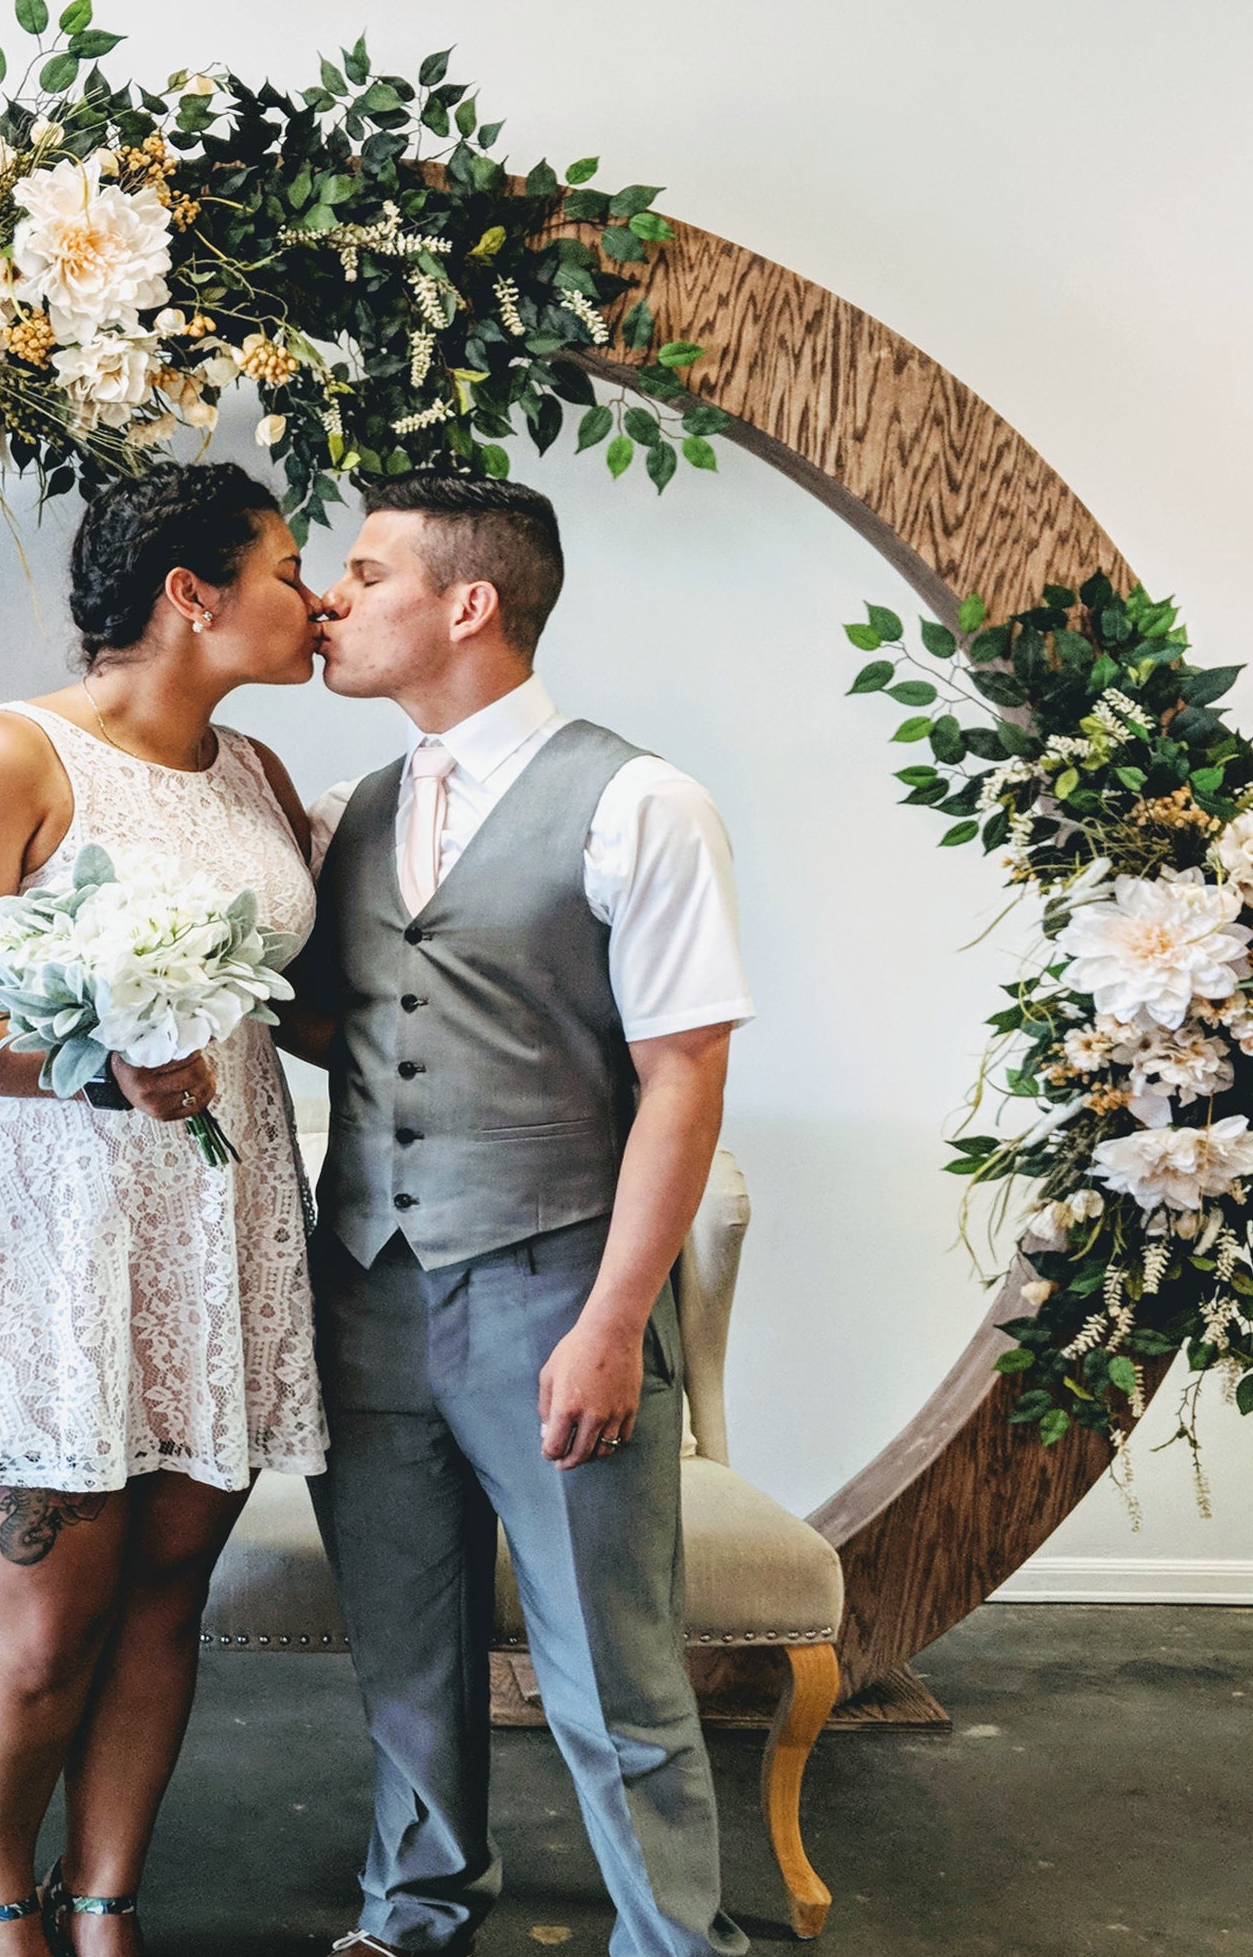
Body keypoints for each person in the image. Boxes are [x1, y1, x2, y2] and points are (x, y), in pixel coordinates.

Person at [0, 462, 330, 1956]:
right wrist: (94, 1072)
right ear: (192, 593)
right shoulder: (7, 755)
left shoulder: (254, 773)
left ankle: (106, 1899)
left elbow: (293, 1006)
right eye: (289, 568)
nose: (315, 599)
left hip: (209, 1234)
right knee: (46, 1626)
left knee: (169, 1595)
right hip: (35, 1240)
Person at [299, 474, 755, 1957]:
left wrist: (615, 1322)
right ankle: (413, 1913)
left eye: (368, 573)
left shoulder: (641, 804)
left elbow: (685, 1076)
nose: (331, 599)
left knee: (611, 1673)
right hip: (366, 1286)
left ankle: (674, 1944)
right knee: (403, 1650)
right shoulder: (357, 811)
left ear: (468, 604)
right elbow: (369, 1021)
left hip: (554, 1290)